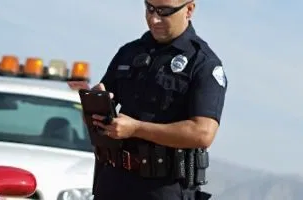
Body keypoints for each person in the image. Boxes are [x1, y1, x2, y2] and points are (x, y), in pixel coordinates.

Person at [69, 0, 226, 199]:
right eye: (149, 8)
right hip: (113, 182)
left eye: (164, 11)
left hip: (163, 188)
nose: (154, 18)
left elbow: (202, 133)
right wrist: (94, 110)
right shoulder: (129, 52)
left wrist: (136, 128)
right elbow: (96, 116)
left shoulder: (203, 64)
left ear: (189, 9)